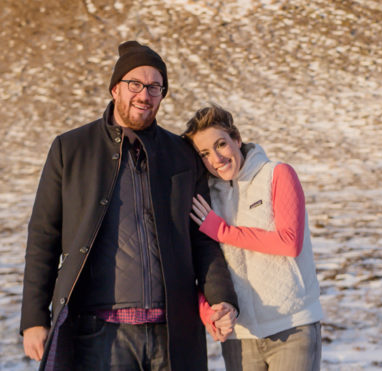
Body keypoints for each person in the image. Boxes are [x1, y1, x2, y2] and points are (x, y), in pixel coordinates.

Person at [20, 41, 239, 370]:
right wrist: (34, 318)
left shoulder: (181, 154)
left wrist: (221, 297)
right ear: (115, 89)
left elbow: (202, 237)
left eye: (155, 87)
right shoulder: (71, 149)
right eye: (135, 84)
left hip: (173, 331)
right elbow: (43, 236)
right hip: (100, 334)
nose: (144, 94)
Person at [184, 104, 323, 371]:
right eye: (204, 153)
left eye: (221, 144)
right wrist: (209, 313)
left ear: (236, 139)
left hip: (292, 327)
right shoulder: (208, 197)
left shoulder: (277, 174)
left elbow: (290, 242)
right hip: (240, 336)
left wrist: (223, 231)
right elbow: (203, 264)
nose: (216, 158)